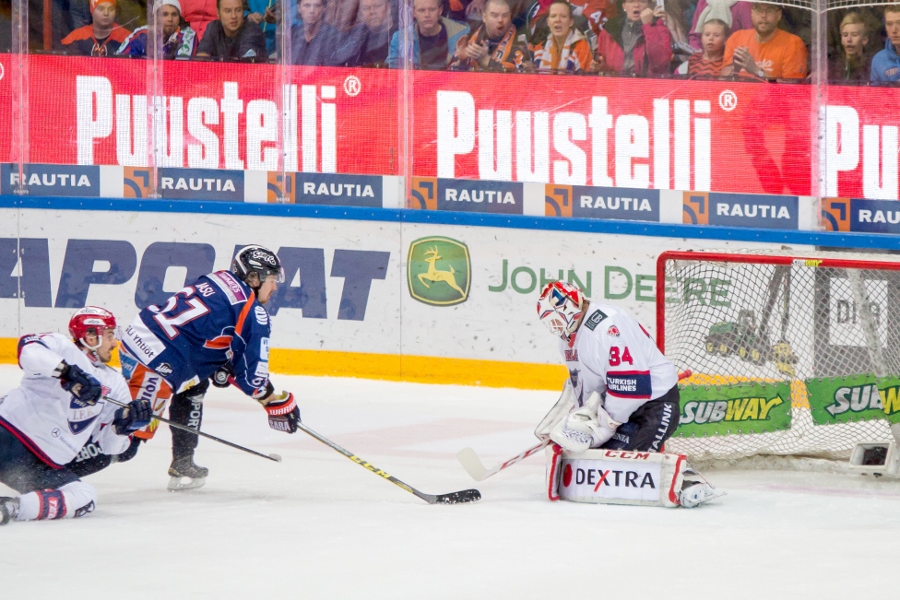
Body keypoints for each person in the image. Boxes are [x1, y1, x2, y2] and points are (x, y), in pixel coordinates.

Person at [110, 245, 299, 491]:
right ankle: (57, 460)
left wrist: (222, 368)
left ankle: (183, 460)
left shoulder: (219, 277)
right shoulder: (253, 312)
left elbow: (206, 335)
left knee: (195, 383)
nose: (274, 288)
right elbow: (253, 378)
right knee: (127, 441)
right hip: (155, 364)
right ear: (253, 278)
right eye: (272, 280)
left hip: (141, 336)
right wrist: (275, 402)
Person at [0, 307, 151, 525]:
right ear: (91, 336)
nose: (114, 343)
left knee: (83, 496)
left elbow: (110, 448)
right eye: (109, 335)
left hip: (37, 467)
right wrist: (67, 372)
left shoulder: (115, 383)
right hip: (8, 435)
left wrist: (123, 427)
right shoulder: (61, 347)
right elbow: (28, 350)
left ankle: (10, 508)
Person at [536, 281, 680, 453]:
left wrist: (605, 426)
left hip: (653, 406)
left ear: (568, 308)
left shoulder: (607, 326)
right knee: (591, 464)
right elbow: (588, 390)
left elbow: (632, 388)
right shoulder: (567, 342)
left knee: (626, 470)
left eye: (555, 319)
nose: (556, 327)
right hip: (617, 411)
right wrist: (581, 421)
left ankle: (687, 479)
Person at [722, 2, 808, 79]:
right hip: (738, 95)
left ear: (779, 15)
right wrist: (735, 69)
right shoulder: (736, 38)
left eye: (769, 10)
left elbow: (792, 90)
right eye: (759, 10)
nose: (763, 15)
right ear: (751, 13)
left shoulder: (793, 43)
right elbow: (721, 84)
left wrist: (756, 70)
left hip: (771, 96)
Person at [593, 0, 672, 76]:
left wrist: (649, 26)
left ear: (649, 6)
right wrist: (600, 66)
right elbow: (602, 63)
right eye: (631, 1)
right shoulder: (610, 29)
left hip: (645, 85)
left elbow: (660, 63)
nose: (636, 5)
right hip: (616, 85)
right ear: (624, 6)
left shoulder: (659, 28)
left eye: (642, 1)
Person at [449, 0, 532, 71]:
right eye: (494, 15)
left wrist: (485, 60)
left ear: (510, 17)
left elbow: (516, 76)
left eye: (505, 15)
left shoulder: (519, 42)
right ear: (484, 17)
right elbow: (450, 72)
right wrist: (461, 60)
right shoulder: (471, 34)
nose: (500, 20)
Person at [387, 0, 469, 68]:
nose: (427, 15)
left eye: (432, 9)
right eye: (421, 10)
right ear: (413, 13)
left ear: (440, 10)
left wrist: (480, 55)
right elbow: (389, 68)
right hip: (416, 84)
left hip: (450, 84)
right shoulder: (400, 38)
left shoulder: (461, 33)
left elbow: (472, 66)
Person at [116, 0, 199, 59]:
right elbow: (119, 60)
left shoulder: (188, 36)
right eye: (165, 14)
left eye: (174, 14)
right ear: (155, 17)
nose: (170, 19)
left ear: (179, 18)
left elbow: (181, 69)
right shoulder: (141, 34)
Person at [531, 0, 593, 72]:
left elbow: (584, 80)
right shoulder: (540, 46)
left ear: (571, 22)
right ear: (548, 22)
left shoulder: (582, 47)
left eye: (563, 16)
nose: (557, 20)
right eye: (553, 16)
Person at [290, 0, 358, 65]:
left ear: (323, 8)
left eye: (317, 6)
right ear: (299, 8)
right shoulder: (292, 35)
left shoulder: (334, 37)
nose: (312, 10)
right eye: (307, 5)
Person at [195, 0, 267, 60]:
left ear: (243, 12)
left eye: (238, 10)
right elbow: (201, 58)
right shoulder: (213, 27)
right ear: (218, 13)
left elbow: (243, 66)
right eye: (228, 11)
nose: (233, 16)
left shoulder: (252, 31)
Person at [59, 0, 131, 56]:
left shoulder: (127, 39)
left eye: (111, 9)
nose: (106, 13)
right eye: (101, 9)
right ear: (92, 11)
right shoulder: (77, 37)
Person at [828, 12, 872, 83]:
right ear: (842, 40)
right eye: (845, 35)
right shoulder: (833, 68)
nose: (849, 39)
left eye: (854, 35)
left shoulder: (871, 66)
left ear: (865, 40)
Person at [871, 5, 900, 83]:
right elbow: (873, 93)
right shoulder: (879, 60)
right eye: (889, 24)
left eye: (899, 23)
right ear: (885, 27)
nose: (894, 30)